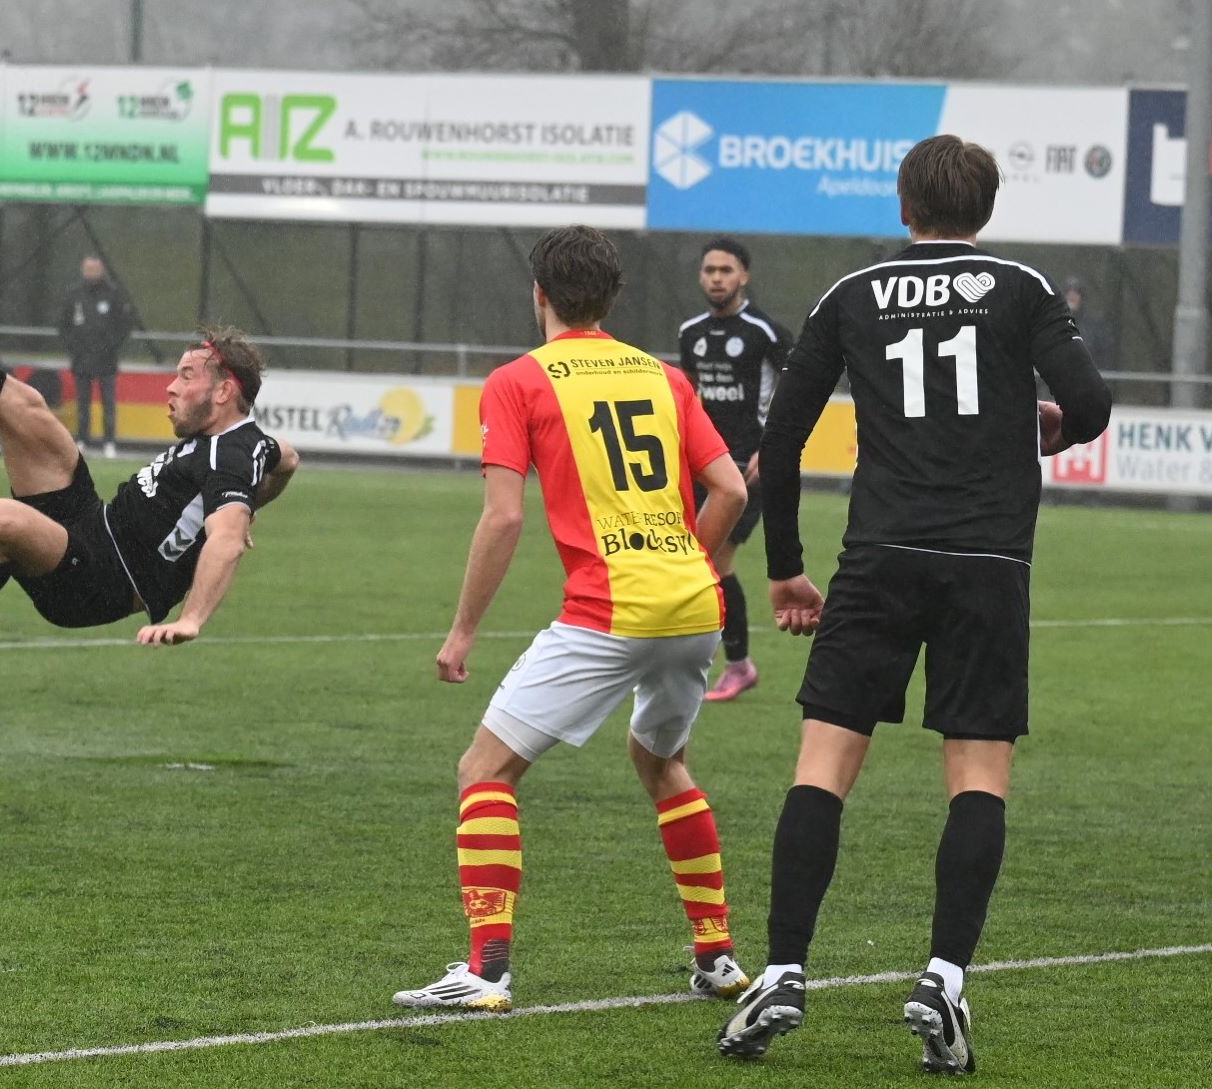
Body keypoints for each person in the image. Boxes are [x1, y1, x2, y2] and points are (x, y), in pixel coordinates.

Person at [715, 135, 1112, 1073]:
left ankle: (780, 971)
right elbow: (1089, 402)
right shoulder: (1019, 286)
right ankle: (942, 977)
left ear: (903, 208)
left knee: (825, 762)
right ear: (985, 210)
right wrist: (1047, 427)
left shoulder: (850, 294)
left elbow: (784, 431)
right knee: (977, 772)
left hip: (878, 556)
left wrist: (784, 568)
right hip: (988, 561)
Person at [392, 225, 753, 1014]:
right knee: (662, 764)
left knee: (483, 770)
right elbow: (730, 489)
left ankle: (486, 969)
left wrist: (461, 633)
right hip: (695, 603)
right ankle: (718, 956)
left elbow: (502, 520)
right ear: (612, 298)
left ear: (540, 294)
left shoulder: (519, 380)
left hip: (606, 608)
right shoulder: (664, 377)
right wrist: (682, 559)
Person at [0, 225, 299, 661]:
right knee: (25, 406)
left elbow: (227, 540)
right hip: (93, 522)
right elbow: (288, 460)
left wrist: (192, 618)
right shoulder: (251, 446)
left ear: (223, 392)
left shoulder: (231, 454)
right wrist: (250, 501)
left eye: (186, 377)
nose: (171, 388)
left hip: (101, 582)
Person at [677, 237, 793, 702]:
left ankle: (737, 664)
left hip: (748, 468)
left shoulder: (764, 331)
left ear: (743, 276)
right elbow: (690, 396)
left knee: (715, 561)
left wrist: (775, 445)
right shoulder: (691, 332)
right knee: (698, 560)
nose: (717, 278)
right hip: (705, 464)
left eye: (726, 270)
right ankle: (716, 658)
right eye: (710, 270)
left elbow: (799, 382)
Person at [56, 253, 137, 459]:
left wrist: (111, 346)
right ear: (83, 270)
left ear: (101, 270)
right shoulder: (73, 294)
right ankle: (82, 440)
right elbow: (63, 326)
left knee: (108, 404)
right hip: (81, 359)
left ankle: (109, 442)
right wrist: (75, 347)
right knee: (83, 404)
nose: (91, 273)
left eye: (94, 269)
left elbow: (124, 325)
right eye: (87, 269)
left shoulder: (113, 293)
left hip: (107, 360)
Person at [1063, 278, 1118, 372]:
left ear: (1082, 297)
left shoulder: (1095, 326)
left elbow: (1105, 358)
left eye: (1076, 292)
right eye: (1068, 291)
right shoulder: (1051, 324)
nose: (1072, 296)